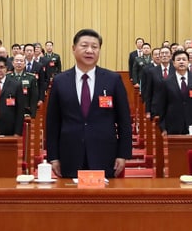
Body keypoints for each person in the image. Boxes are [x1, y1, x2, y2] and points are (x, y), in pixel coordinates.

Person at [46, 29, 132, 179]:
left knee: (103, 200)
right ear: (73, 49)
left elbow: (124, 120)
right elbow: (53, 122)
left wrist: (123, 154)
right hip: (69, 154)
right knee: (71, 199)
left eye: (95, 47)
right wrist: (53, 156)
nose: (89, 51)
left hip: (105, 153)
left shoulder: (113, 80)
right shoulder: (60, 81)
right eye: (84, 46)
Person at [152, 48, 192, 134]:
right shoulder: (165, 82)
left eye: (184, 59)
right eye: (178, 60)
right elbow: (160, 106)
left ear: (188, 62)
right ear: (174, 63)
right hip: (173, 125)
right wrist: (163, 127)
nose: (181, 62)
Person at [9, 53, 39, 117]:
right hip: (9, 110)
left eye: (21, 61)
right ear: (13, 63)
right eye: (17, 60)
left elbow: (34, 97)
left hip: (25, 111)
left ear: (25, 64)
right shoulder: (7, 77)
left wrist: (32, 114)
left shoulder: (31, 77)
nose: (19, 63)